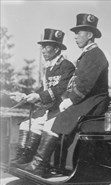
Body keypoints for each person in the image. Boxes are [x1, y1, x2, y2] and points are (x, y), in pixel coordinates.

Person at [18, 13, 109, 177]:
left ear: (89, 35)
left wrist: (70, 100)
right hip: (86, 101)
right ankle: (41, 164)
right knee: (50, 122)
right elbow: (76, 83)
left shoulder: (95, 55)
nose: (75, 37)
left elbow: (85, 84)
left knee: (54, 123)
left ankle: (39, 165)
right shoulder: (87, 55)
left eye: (78, 33)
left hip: (94, 103)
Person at [10, 28, 75, 166]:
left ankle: (37, 164)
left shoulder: (67, 66)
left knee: (40, 126)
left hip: (61, 110)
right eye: (42, 47)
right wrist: (25, 96)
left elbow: (60, 89)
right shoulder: (48, 68)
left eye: (46, 47)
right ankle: (24, 157)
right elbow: (43, 89)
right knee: (27, 124)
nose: (43, 51)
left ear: (56, 49)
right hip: (51, 109)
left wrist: (38, 96)